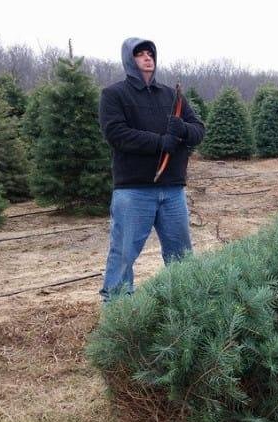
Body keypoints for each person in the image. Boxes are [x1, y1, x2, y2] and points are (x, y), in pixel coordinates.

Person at [98, 38, 205, 301]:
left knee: (180, 254)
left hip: (172, 191)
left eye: (150, 53)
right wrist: (160, 143)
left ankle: (184, 304)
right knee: (123, 254)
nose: (147, 58)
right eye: (140, 54)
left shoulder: (172, 96)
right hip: (134, 191)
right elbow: (117, 134)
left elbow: (199, 130)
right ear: (129, 60)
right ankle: (118, 312)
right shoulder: (114, 94)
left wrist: (184, 130)